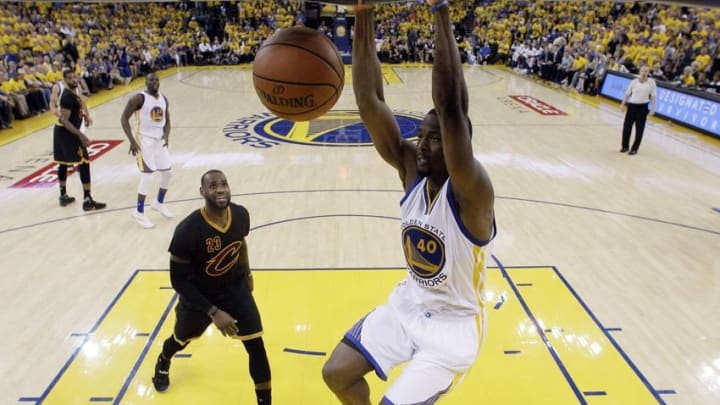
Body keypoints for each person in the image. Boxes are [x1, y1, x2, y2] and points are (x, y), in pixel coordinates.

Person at [322, 1, 496, 404]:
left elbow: (452, 108)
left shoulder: (472, 191)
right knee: (337, 374)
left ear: (457, 143)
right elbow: (369, 100)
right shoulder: (411, 171)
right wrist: (361, 14)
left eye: (433, 137)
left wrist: (439, 13)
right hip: (410, 303)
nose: (421, 143)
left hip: (452, 329)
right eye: (420, 133)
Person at [151, 169, 272, 404]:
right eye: (213, 185)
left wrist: (247, 272)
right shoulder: (187, 230)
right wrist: (213, 312)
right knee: (181, 339)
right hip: (200, 296)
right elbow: (178, 281)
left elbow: (241, 243)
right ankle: (164, 359)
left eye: (224, 184)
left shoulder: (240, 214)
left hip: (235, 289)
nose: (220, 189)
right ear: (202, 191)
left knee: (256, 345)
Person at [120, 73, 174, 228]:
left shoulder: (163, 98)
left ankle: (158, 203)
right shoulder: (138, 98)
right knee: (147, 175)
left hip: (159, 141)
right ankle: (139, 212)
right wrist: (132, 141)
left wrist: (167, 135)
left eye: (157, 79)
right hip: (144, 141)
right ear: (145, 82)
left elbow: (167, 120)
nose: (155, 82)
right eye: (151, 80)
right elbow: (124, 119)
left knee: (168, 173)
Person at [53, 70, 105, 210]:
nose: (74, 80)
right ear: (65, 80)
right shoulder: (66, 96)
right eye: (70, 78)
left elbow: (79, 104)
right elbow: (64, 120)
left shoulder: (74, 92)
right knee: (84, 162)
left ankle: (63, 195)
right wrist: (81, 135)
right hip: (66, 132)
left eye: (75, 77)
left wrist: (85, 115)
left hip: (62, 132)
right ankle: (87, 199)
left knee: (63, 162)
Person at [620, 64, 656, 155]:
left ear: (648, 72)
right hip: (632, 106)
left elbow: (653, 96)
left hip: (643, 108)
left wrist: (653, 108)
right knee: (627, 127)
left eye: (646, 71)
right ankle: (625, 147)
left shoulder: (651, 82)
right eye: (643, 71)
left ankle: (634, 149)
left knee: (639, 129)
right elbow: (627, 94)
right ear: (640, 71)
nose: (644, 73)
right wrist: (623, 104)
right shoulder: (634, 81)